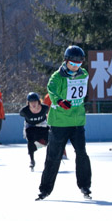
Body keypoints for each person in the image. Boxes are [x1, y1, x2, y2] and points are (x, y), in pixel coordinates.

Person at [36, 45, 92, 201]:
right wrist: (59, 100)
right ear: (66, 61)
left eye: (79, 64)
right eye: (72, 64)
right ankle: (45, 189)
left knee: (82, 153)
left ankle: (85, 185)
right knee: (53, 156)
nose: (75, 67)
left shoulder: (84, 74)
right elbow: (51, 90)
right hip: (59, 123)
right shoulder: (57, 77)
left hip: (77, 122)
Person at [19, 92, 50, 171]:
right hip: (31, 127)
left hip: (42, 126)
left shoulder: (44, 108)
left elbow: (49, 115)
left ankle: (49, 160)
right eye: (31, 102)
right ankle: (32, 160)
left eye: (35, 101)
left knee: (48, 141)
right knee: (30, 141)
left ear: (38, 101)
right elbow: (22, 116)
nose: (33, 104)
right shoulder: (24, 111)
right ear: (28, 103)